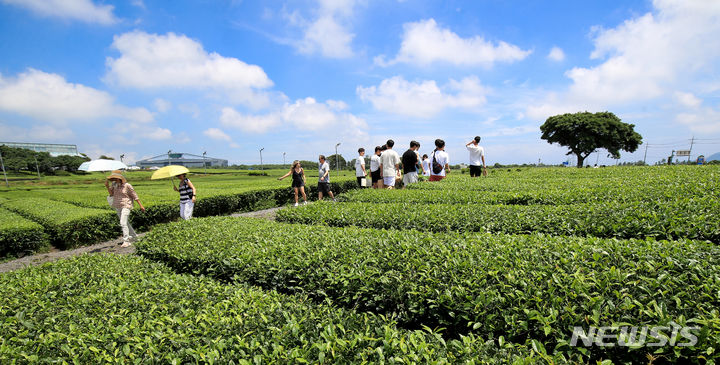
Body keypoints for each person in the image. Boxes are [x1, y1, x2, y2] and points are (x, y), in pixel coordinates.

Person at [104, 171, 145, 247]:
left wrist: (141, 205)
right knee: (125, 223)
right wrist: (107, 186)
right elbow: (111, 194)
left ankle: (126, 241)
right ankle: (135, 237)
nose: (114, 180)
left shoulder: (127, 185)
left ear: (119, 178)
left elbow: (134, 195)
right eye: (113, 178)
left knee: (123, 223)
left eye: (115, 178)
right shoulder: (114, 185)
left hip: (127, 205)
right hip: (117, 205)